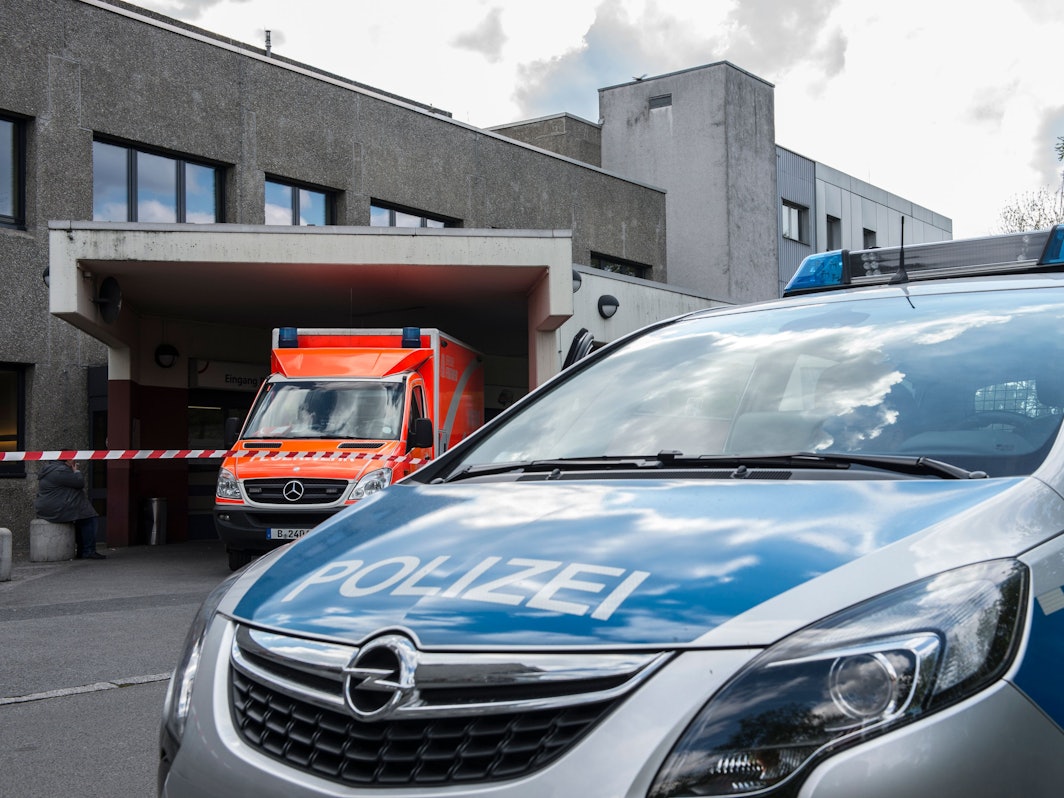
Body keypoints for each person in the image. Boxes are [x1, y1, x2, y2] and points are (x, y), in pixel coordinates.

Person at [34, 460, 106, 560]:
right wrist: (76, 471)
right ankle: (88, 551)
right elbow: (79, 483)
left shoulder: (50, 469)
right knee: (89, 517)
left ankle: (83, 550)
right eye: (74, 458)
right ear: (67, 459)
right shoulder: (62, 470)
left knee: (81, 517)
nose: (75, 461)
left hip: (47, 508)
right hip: (57, 509)